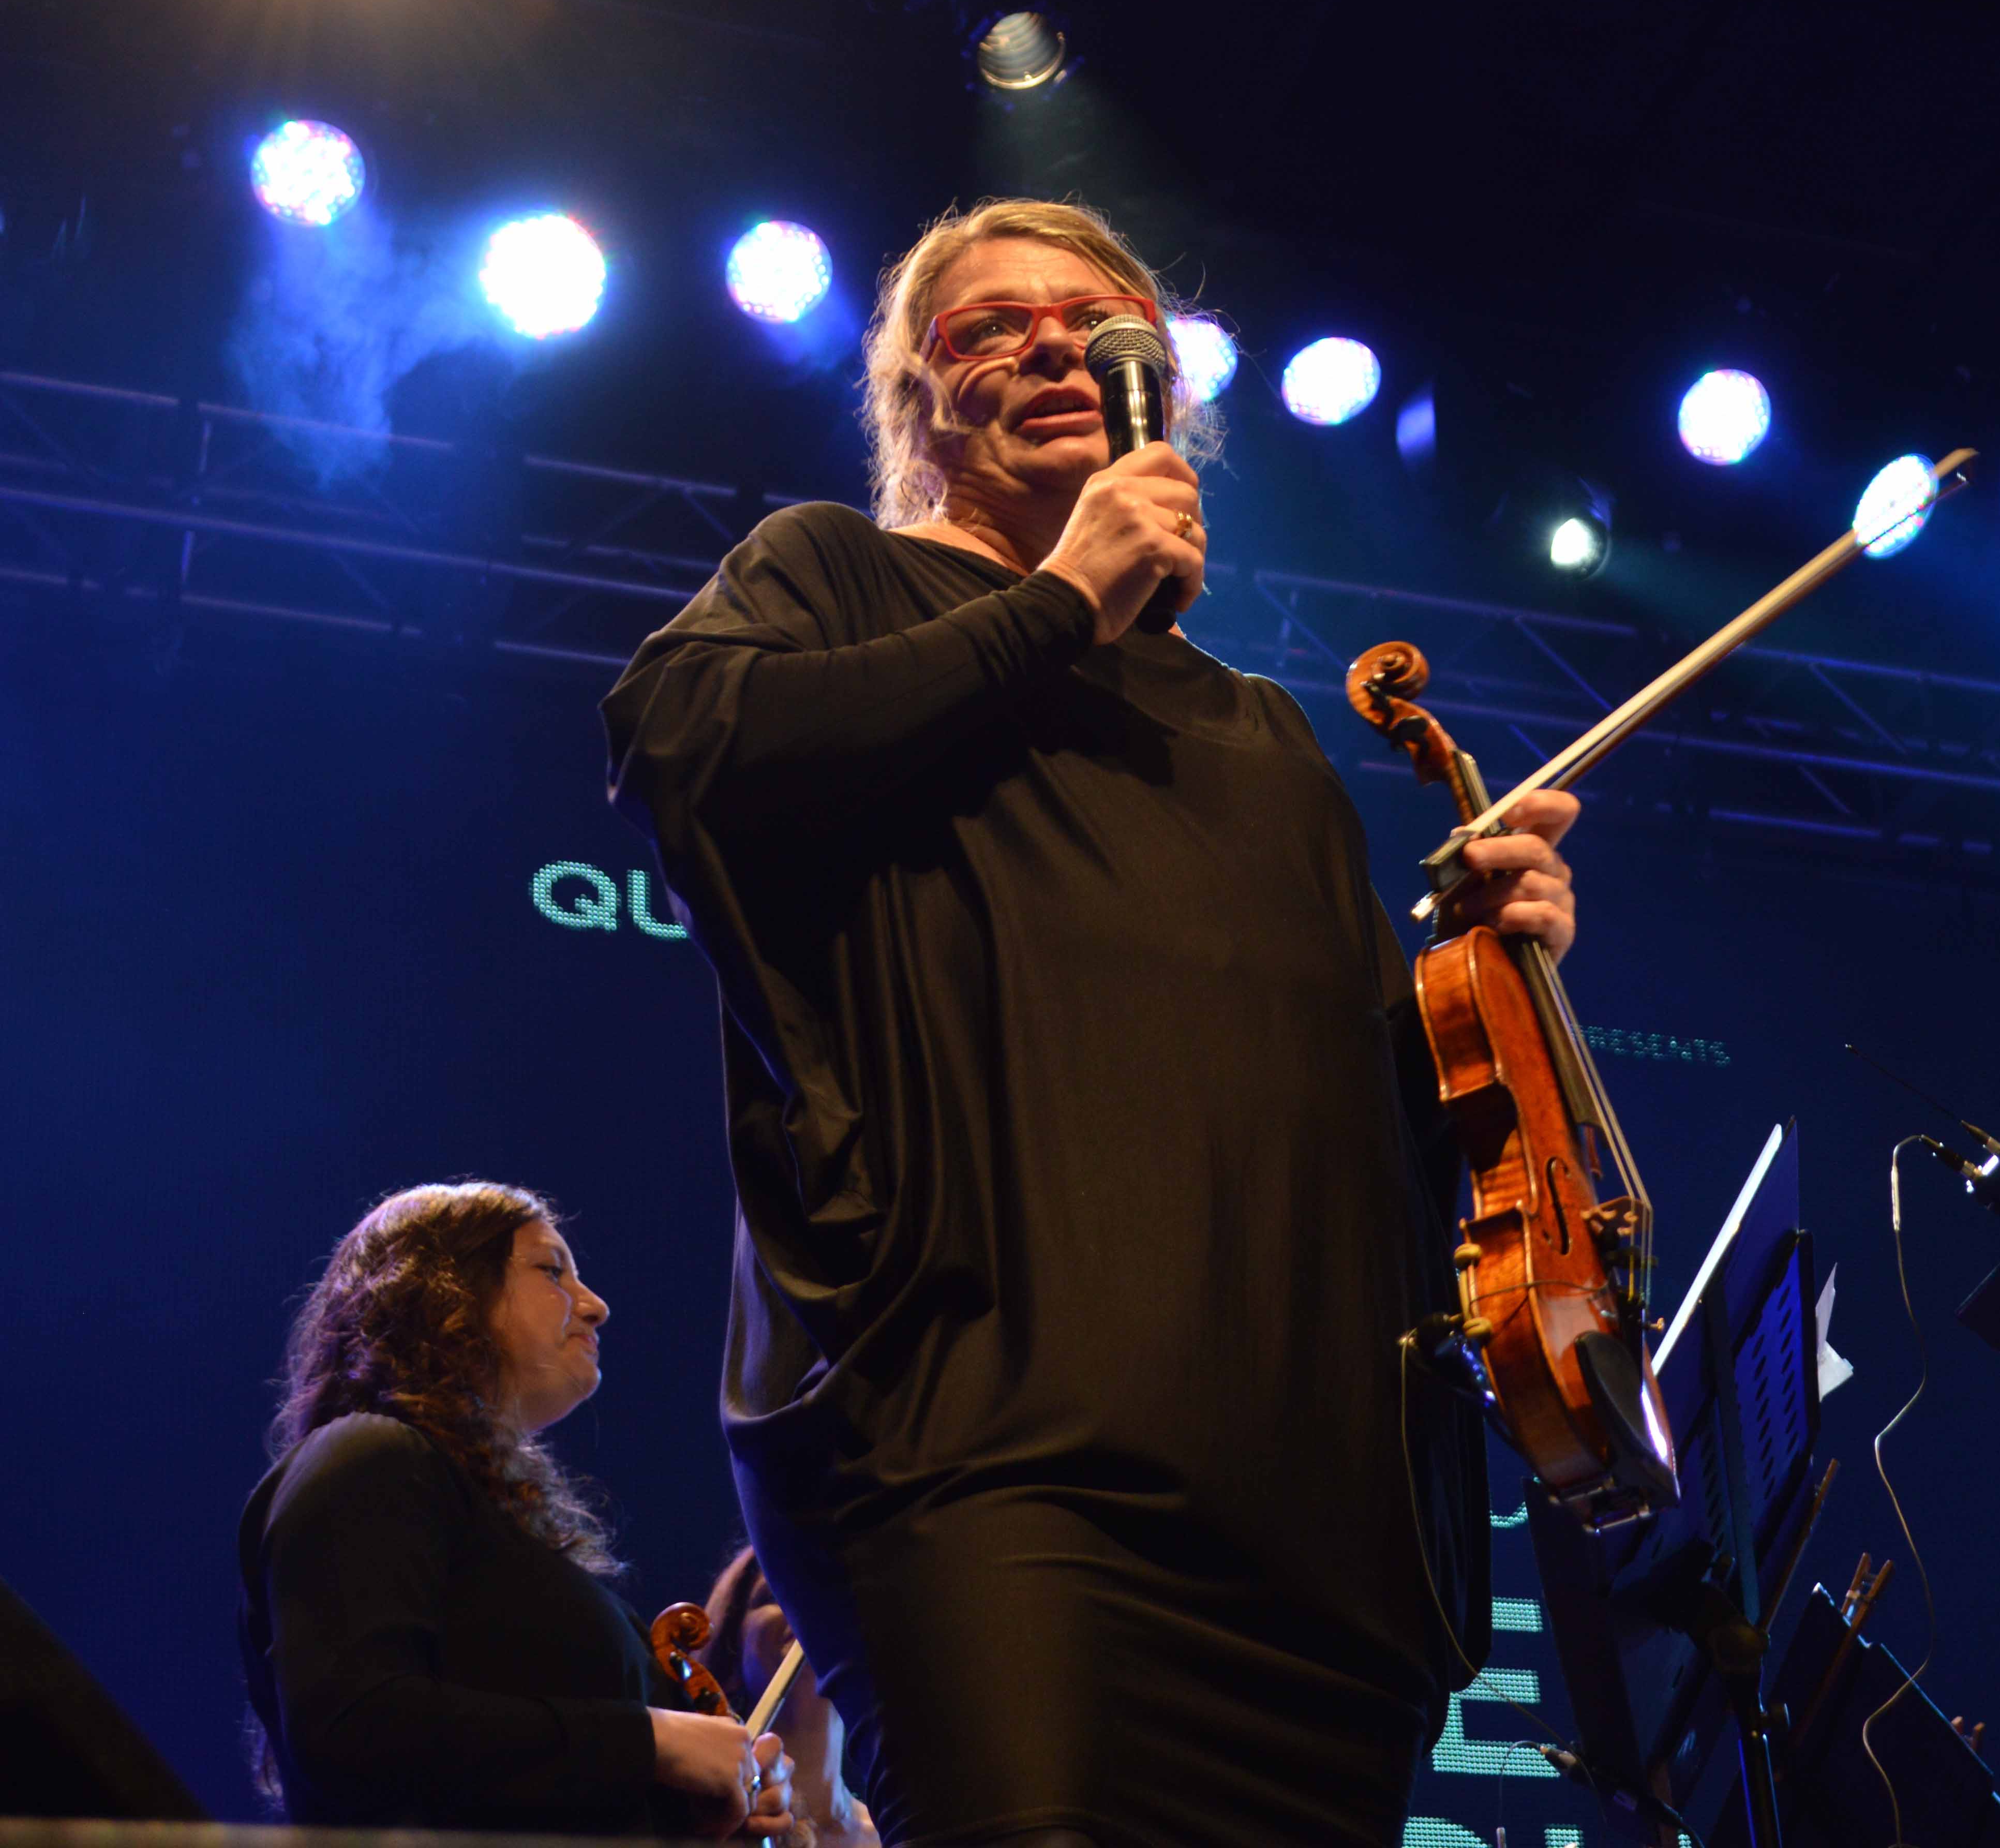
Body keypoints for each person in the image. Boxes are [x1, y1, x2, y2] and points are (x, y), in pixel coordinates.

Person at [601, 197, 1584, 1846]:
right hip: (996, 1461)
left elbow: (1369, 1126)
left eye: (1099, 317)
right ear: (916, 399)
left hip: (1317, 1537)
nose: (1059, 342)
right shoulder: (836, 576)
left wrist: (1492, 968)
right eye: (994, 325)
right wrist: (1066, 597)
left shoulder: (1264, 743)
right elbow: (688, 746)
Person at [239, 1181, 795, 1838]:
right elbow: (353, 1726)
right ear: (446, 1290)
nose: (596, 1306)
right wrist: (653, 1741)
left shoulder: (498, 1533)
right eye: (551, 1270)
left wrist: (715, 1790)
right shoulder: (367, 1455)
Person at [700, 1547, 878, 1848]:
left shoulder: (899, 1834)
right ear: (731, 1659)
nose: (806, 1609)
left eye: (819, 1594)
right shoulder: (708, 1828)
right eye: (773, 1597)